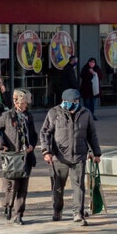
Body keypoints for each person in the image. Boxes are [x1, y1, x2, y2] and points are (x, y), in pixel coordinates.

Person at [40, 87, 102, 224]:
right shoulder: (54, 113)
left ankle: (78, 213)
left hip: (79, 156)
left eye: (77, 101)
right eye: (72, 101)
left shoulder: (85, 113)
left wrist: (96, 153)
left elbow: (92, 135)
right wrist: (46, 151)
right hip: (59, 157)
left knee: (79, 186)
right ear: (64, 101)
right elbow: (45, 133)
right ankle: (57, 210)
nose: (75, 103)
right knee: (57, 187)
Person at [0, 88, 38, 223]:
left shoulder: (29, 117)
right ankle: (7, 206)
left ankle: (19, 214)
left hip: (26, 157)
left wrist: (32, 145)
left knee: (23, 188)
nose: (26, 106)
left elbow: (34, 135)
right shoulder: (7, 116)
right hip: (11, 157)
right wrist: (1, 144)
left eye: (26, 103)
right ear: (16, 102)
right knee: (11, 186)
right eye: (23, 103)